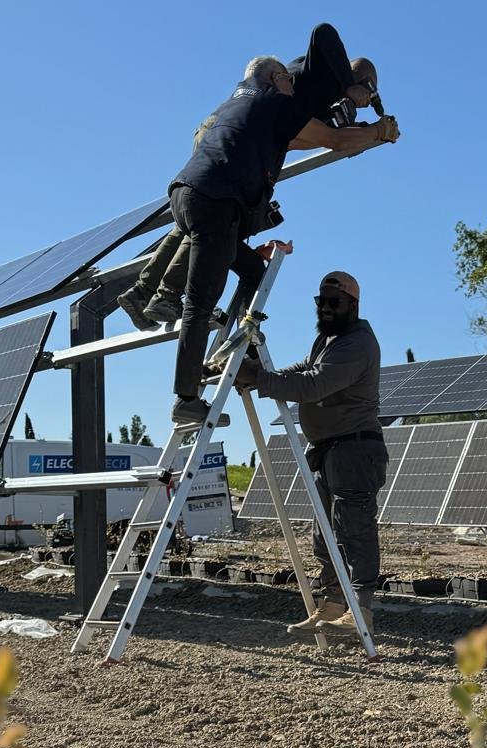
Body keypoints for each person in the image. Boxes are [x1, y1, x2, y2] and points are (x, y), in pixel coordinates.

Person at [166, 29, 397, 429]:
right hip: (216, 202)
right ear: (275, 79)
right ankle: (186, 400)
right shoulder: (278, 102)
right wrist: (376, 129)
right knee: (199, 303)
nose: (293, 82)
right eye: (288, 78)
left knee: (254, 271)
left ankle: (235, 352)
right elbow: (334, 139)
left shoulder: (244, 104)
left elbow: (307, 139)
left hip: (193, 198)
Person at [235, 270, 385, 643]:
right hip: (328, 449)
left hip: (354, 447)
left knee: (355, 531)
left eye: (334, 302)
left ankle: (360, 610)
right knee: (326, 533)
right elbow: (302, 369)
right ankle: (335, 604)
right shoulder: (328, 340)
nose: (326, 308)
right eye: (321, 302)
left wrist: (259, 378)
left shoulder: (357, 343)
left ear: (353, 303)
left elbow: (314, 384)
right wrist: (259, 375)